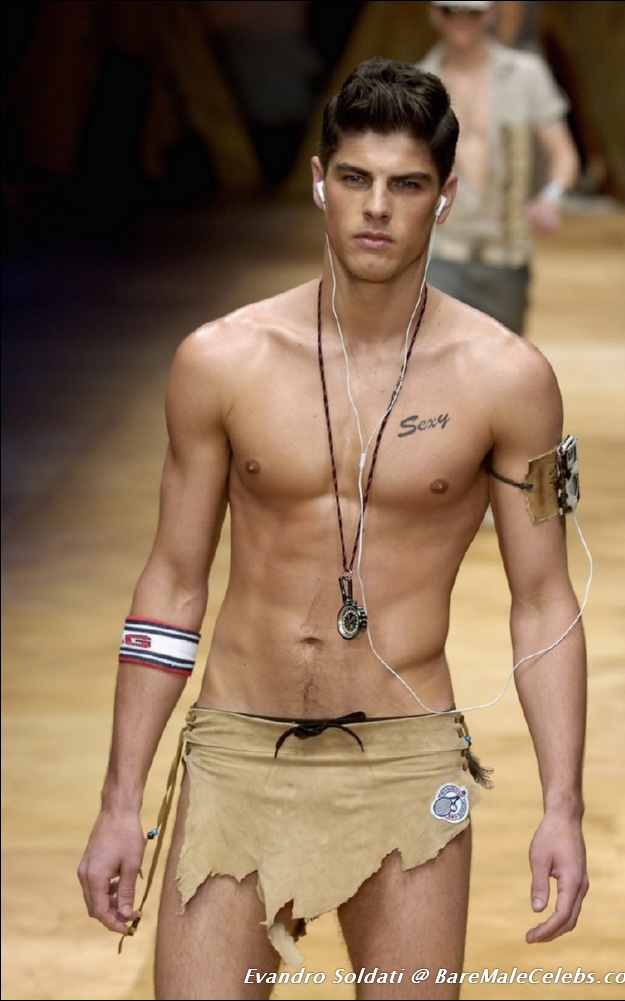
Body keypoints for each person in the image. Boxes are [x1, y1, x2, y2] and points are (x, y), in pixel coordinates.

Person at [77, 56, 588, 999]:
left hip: (407, 759)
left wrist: (564, 804)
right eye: (355, 178)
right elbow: (173, 583)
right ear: (320, 182)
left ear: (446, 197)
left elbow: (545, 599)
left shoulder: (509, 381)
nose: (376, 208)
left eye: (407, 185)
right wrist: (120, 801)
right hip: (237, 751)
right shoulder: (220, 362)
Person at [418, 0, 580, 335]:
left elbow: (564, 153)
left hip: (506, 255)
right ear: (434, 14)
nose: (462, 21)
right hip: (440, 252)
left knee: (505, 361)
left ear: (490, 13)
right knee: (437, 359)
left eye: (472, 12)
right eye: (451, 11)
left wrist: (551, 197)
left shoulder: (526, 75)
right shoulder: (417, 85)